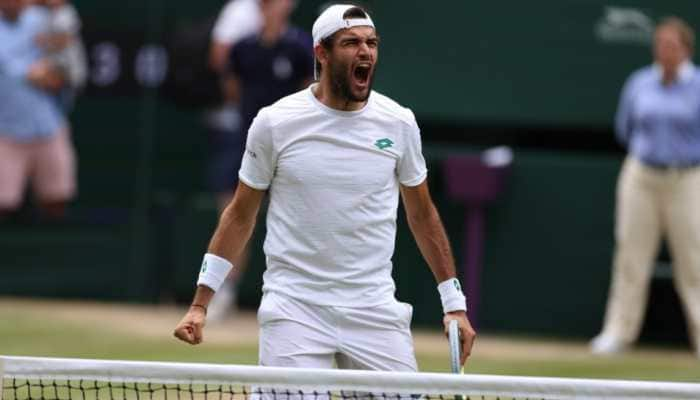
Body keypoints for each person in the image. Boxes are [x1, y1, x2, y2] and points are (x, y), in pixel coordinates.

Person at [174, 3, 476, 372]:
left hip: (374, 309)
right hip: (293, 309)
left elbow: (422, 214)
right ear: (322, 53)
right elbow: (240, 214)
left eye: (372, 42)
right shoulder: (274, 123)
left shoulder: (399, 123)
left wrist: (454, 305)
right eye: (351, 43)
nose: (365, 51)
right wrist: (201, 303)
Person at [591, 17, 700, 357]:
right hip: (640, 177)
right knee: (631, 256)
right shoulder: (639, 82)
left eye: (671, 45)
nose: (664, 51)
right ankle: (619, 334)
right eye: (660, 44)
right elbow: (624, 128)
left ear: (686, 49)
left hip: (687, 179)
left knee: (694, 258)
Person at [205, 0, 312, 321]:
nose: (270, 7)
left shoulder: (299, 48)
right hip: (245, 145)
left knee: (297, 223)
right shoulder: (242, 49)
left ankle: (299, 301)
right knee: (233, 216)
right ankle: (223, 293)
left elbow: (309, 93)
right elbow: (233, 90)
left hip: (290, 150)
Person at [0, 0, 76, 221]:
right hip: (5, 131)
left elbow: (63, 71)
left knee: (56, 200)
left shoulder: (44, 21)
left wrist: (54, 74)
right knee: (3, 204)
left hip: (48, 127)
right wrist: (28, 73)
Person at [34, 0, 87, 111]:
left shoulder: (66, 12)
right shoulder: (42, 13)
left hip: (67, 76)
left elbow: (65, 40)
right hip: (49, 76)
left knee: (57, 116)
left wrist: (44, 41)